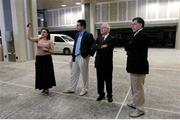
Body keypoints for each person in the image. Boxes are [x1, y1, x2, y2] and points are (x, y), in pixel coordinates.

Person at [125, 17, 149, 117]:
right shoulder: (136, 34)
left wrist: (128, 47)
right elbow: (130, 47)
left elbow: (129, 47)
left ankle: (140, 109)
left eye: (134, 24)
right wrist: (129, 47)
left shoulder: (141, 35)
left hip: (138, 66)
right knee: (134, 87)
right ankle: (135, 103)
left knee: (138, 89)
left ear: (140, 25)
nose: (132, 25)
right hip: (135, 66)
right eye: (132, 24)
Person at [64, 19, 95, 96]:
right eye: (76, 25)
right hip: (76, 56)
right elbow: (75, 46)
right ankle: (72, 88)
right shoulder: (77, 34)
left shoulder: (88, 35)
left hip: (83, 56)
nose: (76, 26)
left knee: (84, 74)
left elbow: (94, 46)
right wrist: (73, 56)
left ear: (83, 26)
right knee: (73, 73)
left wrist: (89, 54)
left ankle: (85, 89)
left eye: (78, 25)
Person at [27, 23, 56, 95]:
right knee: (40, 73)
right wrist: (29, 29)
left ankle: (47, 89)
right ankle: (43, 87)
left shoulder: (50, 41)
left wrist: (47, 50)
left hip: (46, 59)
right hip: (39, 59)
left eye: (44, 32)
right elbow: (29, 38)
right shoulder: (39, 39)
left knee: (47, 74)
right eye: (42, 32)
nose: (42, 33)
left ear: (47, 33)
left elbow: (53, 52)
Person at [91, 23, 114, 102]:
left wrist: (98, 47)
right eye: (101, 28)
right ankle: (101, 94)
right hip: (99, 63)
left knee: (108, 81)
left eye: (103, 28)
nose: (101, 29)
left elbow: (108, 50)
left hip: (107, 64)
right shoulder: (99, 38)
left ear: (108, 29)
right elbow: (93, 46)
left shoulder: (111, 38)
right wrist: (101, 46)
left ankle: (109, 95)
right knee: (99, 80)